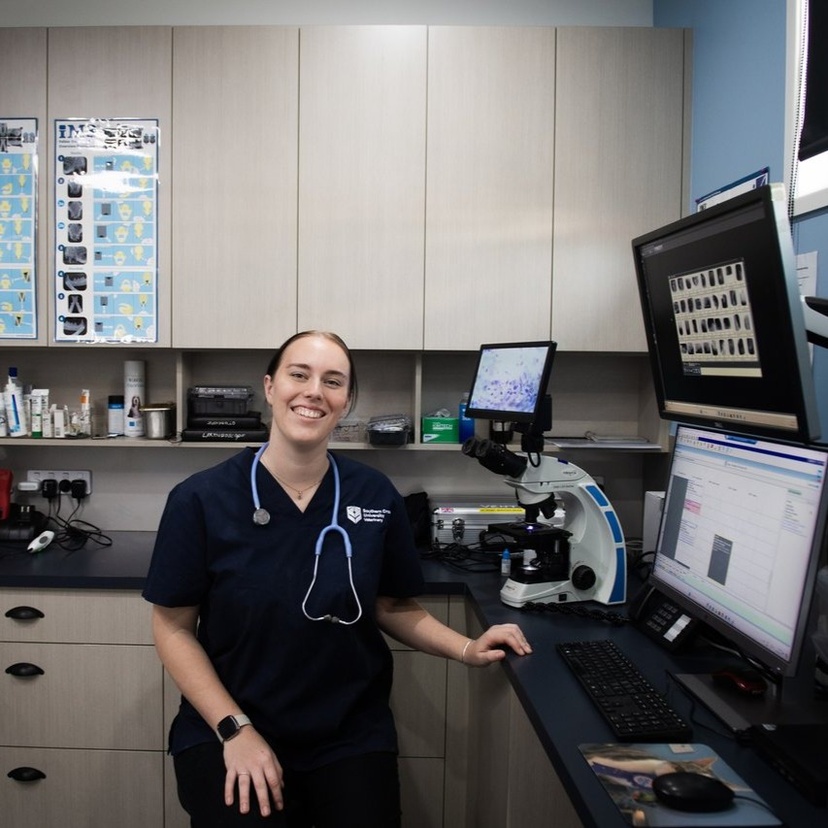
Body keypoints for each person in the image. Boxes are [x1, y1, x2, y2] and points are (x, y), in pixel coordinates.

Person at [142, 330, 533, 828]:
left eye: (332, 381)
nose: (313, 392)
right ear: (269, 386)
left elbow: (391, 605)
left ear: (346, 401)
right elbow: (172, 628)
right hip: (231, 722)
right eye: (298, 375)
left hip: (347, 732)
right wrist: (235, 730)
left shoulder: (373, 492)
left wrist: (467, 649)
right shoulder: (199, 498)